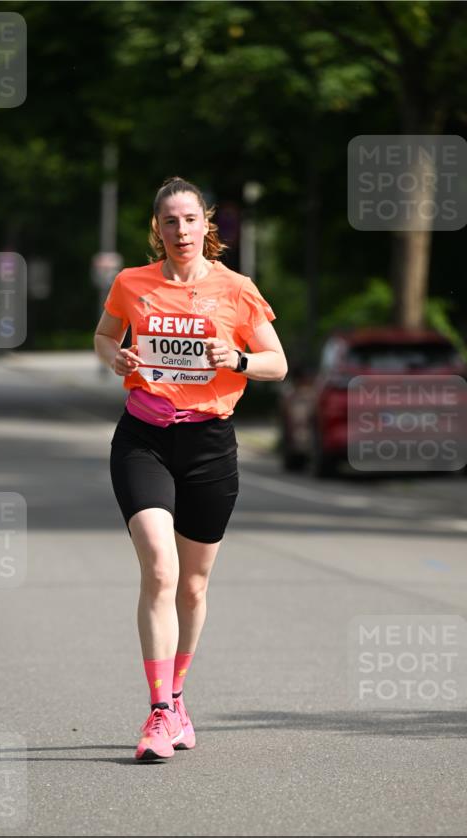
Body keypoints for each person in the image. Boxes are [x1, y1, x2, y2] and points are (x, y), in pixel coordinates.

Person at [93, 176, 288, 762]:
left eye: (190, 219)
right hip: (144, 438)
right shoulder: (132, 284)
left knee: (195, 584)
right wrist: (116, 356)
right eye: (170, 221)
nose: (181, 231)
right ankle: (157, 712)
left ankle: (178, 697)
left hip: (209, 443)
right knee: (160, 568)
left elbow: (277, 364)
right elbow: (103, 337)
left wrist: (240, 359)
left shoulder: (236, 289)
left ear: (209, 225)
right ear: (157, 228)